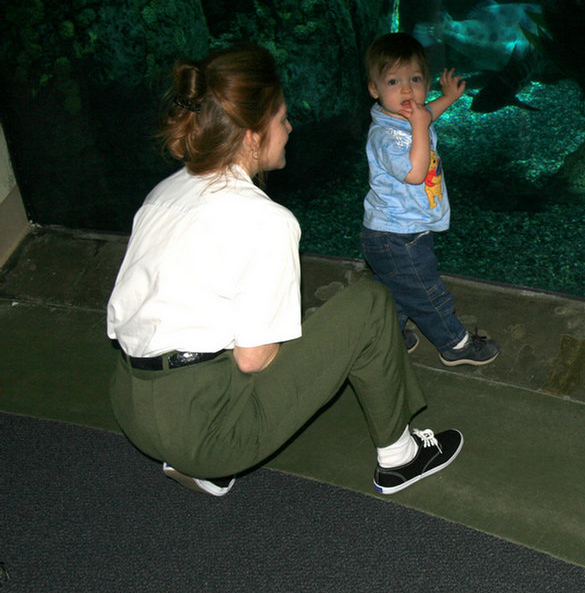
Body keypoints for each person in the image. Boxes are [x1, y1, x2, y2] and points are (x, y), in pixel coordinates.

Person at [107, 43, 462, 497]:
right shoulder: (266, 221)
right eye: (281, 119)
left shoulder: (164, 193)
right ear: (253, 135)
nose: (290, 128)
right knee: (369, 304)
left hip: (133, 409)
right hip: (205, 432)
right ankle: (401, 457)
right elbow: (254, 359)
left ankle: (202, 468)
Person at [360, 32, 500, 366]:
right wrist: (421, 125)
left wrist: (448, 98)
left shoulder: (407, 117)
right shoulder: (385, 135)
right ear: (374, 90)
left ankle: (386, 339)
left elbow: (427, 114)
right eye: (394, 81)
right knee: (426, 293)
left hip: (401, 232)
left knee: (398, 292)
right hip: (396, 237)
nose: (407, 89)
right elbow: (414, 173)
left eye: (416, 79)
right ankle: (455, 344)